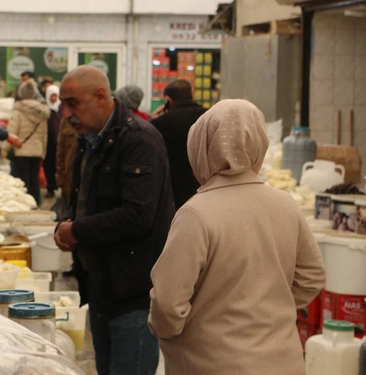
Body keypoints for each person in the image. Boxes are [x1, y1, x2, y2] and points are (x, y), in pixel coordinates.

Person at [148, 99, 326, 375]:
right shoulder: (285, 203)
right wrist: (267, 310)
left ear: (200, 146)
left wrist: (174, 330)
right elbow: (312, 277)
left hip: (211, 363)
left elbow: (168, 304)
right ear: (259, 145)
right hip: (283, 361)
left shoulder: (196, 213)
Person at [54, 65, 175, 375]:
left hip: (132, 291)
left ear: (100, 96)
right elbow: (83, 198)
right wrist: (67, 223)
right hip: (100, 284)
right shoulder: (92, 139)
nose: (66, 113)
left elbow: (138, 215)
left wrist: (77, 231)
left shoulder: (139, 140)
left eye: (72, 103)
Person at [151, 79, 207, 209]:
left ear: (169, 100)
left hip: (174, 189)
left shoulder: (161, 123)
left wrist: (153, 121)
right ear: (191, 95)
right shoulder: (207, 115)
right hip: (204, 185)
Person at [3, 79, 50, 206]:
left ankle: (24, 205)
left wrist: (5, 149)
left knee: (22, 181)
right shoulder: (42, 112)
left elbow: (12, 132)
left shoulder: (18, 111)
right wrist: (43, 151)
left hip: (21, 150)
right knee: (34, 180)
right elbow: (45, 135)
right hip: (37, 151)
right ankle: (36, 204)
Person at [44, 84, 61, 198]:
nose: (53, 99)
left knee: (58, 165)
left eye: (55, 96)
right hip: (48, 142)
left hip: (60, 142)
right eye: (51, 96)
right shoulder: (45, 109)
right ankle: (51, 187)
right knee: (48, 165)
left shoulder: (62, 108)